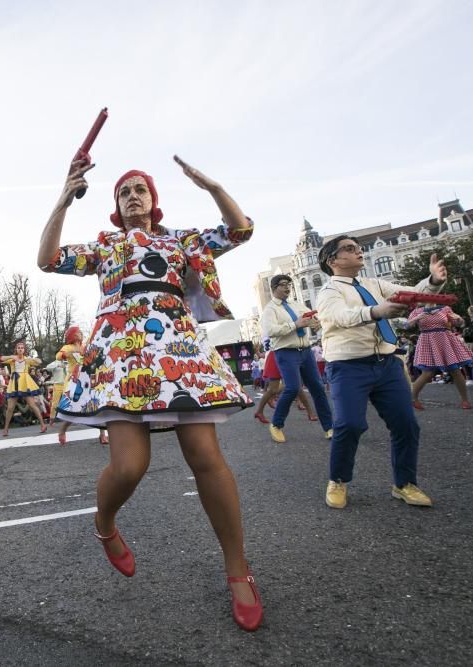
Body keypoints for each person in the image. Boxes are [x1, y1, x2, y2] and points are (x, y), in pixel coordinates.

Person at [38, 155, 261, 631]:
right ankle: (105, 524)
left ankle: (239, 571)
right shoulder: (106, 244)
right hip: (123, 352)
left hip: (178, 346)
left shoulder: (180, 240)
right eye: (124, 192)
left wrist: (212, 184)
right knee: (129, 466)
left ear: (154, 201)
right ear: (116, 207)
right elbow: (48, 259)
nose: (133, 196)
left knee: (206, 456)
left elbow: (239, 230)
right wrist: (63, 197)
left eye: (141, 189)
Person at [315, 237, 447, 511]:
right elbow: (342, 316)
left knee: (406, 424)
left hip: (387, 363)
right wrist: (377, 311)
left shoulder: (374, 284)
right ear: (332, 260)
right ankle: (338, 480)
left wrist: (432, 281)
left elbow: (412, 292)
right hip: (348, 366)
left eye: (357, 247)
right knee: (349, 425)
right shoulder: (328, 292)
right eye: (349, 249)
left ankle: (405, 484)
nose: (358, 251)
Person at [260, 275, 333, 443]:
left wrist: (314, 322)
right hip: (286, 352)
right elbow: (270, 331)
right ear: (273, 288)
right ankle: (276, 424)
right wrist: (296, 325)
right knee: (292, 388)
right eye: (283, 285)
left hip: (306, 351)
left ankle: (329, 427)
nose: (287, 288)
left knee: (317, 388)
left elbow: (307, 320)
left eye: (289, 285)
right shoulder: (270, 309)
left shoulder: (295, 304)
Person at [407, 301, 473, 409]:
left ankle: (465, 400)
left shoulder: (445, 308)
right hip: (427, 340)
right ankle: (412, 398)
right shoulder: (417, 311)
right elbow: (408, 326)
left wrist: (459, 319)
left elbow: (458, 323)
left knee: (455, 370)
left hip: (445, 339)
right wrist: (417, 318)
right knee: (427, 373)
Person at [54, 326, 109, 446]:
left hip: (88, 378)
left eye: (81, 331)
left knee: (98, 404)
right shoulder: (68, 347)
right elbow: (58, 356)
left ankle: (102, 434)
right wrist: (69, 353)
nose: (81, 333)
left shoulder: (85, 346)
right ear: (73, 335)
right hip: (74, 381)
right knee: (73, 408)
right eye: (78, 332)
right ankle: (62, 430)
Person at [0, 341, 46, 436]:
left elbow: (39, 362)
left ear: (24, 350)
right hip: (14, 384)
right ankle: (6, 429)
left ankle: (43, 425)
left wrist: (30, 358)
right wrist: (11, 357)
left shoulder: (27, 359)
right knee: (10, 408)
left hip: (25, 383)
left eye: (22, 348)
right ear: (16, 349)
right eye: (18, 348)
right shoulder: (12, 359)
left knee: (32, 405)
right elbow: (0, 359)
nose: (20, 349)